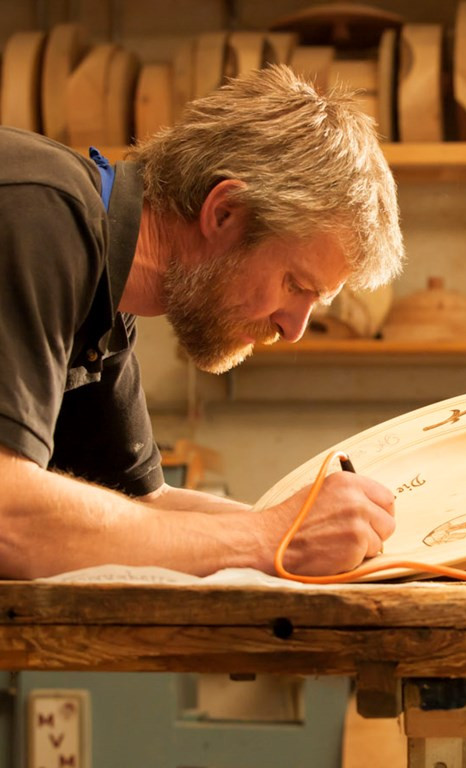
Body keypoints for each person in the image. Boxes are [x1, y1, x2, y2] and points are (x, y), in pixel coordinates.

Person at [0, 65, 404, 580]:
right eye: (295, 285)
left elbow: (147, 506)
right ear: (224, 212)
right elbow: (8, 516)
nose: (295, 328)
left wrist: (363, 544)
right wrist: (269, 539)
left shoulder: (107, 292)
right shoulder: (39, 214)